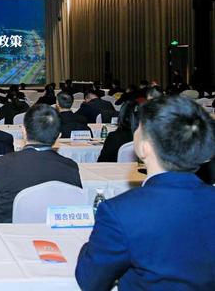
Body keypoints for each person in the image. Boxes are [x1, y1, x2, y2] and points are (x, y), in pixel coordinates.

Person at [76, 96, 215, 290]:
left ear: (144, 147)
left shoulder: (121, 212)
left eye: (139, 128)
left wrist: (91, 245)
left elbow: (90, 281)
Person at [0, 104, 82, 223]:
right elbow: (74, 207)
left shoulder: (3, 164)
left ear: (24, 131)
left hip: (7, 228)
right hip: (51, 230)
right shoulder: (70, 167)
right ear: (58, 137)